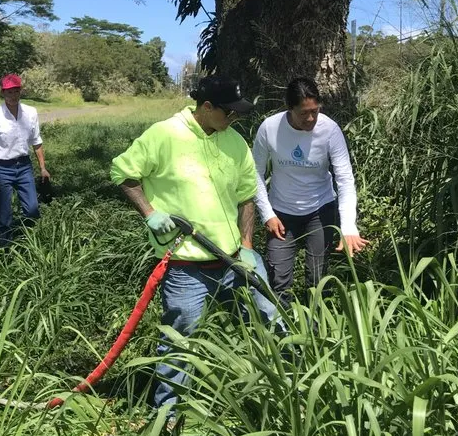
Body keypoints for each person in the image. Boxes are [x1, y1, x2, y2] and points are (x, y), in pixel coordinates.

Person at [111, 76, 277, 415]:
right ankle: (167, 414)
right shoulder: (164, 135)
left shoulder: (235, 142)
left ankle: (284, 388)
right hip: (187, 265)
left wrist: (246, 244)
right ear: (206, 107)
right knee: (179, 339)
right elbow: (123, 172)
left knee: (271, 317)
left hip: (234, 260)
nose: (235, 119)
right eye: (229, 113)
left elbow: (247, 195)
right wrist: (150, 213)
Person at [252, 76, 367, 306]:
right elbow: (254, 173)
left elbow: (344, 179)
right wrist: (267, 214)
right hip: (281, 214)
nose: (311, 118)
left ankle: (316, 331)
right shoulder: (270, 128)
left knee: (317, 278)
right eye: (304, 113)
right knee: (278, 279)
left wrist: (348, 226)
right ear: (289, 108)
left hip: (320, 211)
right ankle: (280, 332)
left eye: (315, 111)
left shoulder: (330, 130)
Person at [0, 73, 50, 246]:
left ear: (20, 91)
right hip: (2, 168)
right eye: (9, 92)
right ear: (3, 93)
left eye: (16, 91)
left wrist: (42, 167)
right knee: (4, 215)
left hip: (24, 166)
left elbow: (37, 142)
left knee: (32, 209)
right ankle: (6, 250)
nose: (12, 95)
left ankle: (29, 243)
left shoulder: (31, 113)